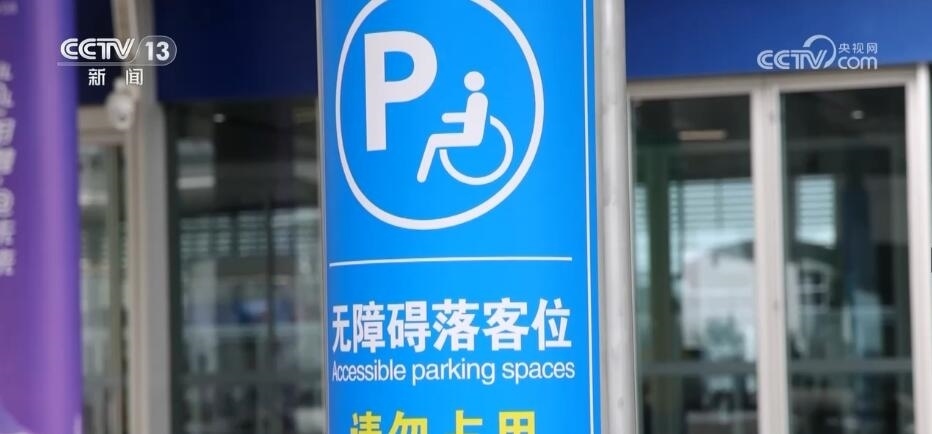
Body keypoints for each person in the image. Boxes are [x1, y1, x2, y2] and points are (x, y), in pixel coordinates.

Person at [417, 71, 489, 182]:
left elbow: (473, 118)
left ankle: (422, 176)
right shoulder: (476, 97)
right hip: (468, 133)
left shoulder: (477, 98)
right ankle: (422, 175)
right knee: (434, 139)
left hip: (471, 136)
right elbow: (470, 117)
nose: (467, 82)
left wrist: (448, 117)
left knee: (434, 140)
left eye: (470, 80)